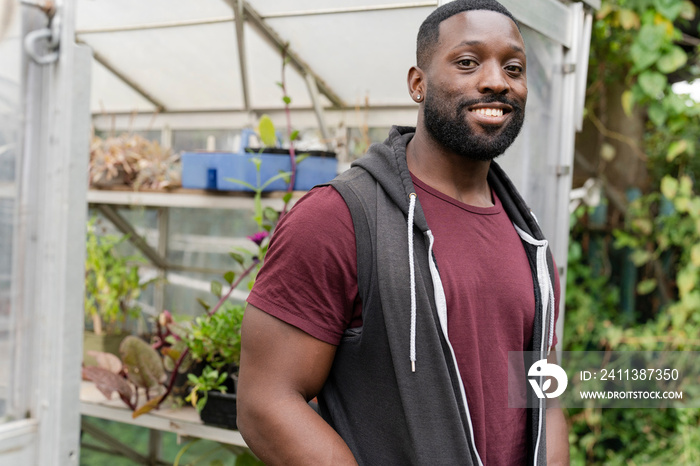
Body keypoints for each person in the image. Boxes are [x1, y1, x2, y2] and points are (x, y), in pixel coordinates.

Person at [237, 0, 570, 464]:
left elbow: (543, 397)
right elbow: (266, 402)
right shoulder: (338, 218)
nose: (497, 81)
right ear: (418, 83)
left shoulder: (530, 245)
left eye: (513, 67)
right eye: (468, 62)